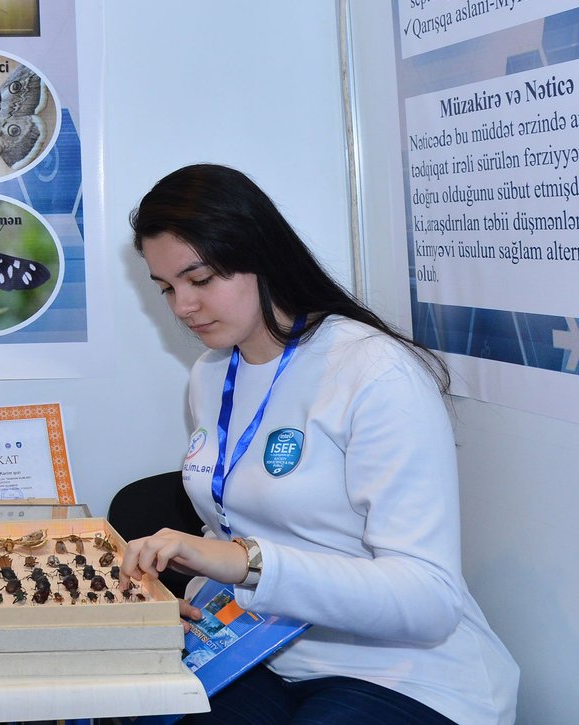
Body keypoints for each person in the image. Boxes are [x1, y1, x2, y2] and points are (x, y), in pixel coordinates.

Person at [123, 164, 517, 724]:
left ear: (262, 256)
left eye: (201, 279)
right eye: (166, 287)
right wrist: (194, 598)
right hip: (262, 651)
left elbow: (429, 599)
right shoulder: (210, 374)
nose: (182, 306)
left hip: (403, 671)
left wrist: (243, 563)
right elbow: (232, 525)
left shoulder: (373, 371)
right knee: (138, 705)